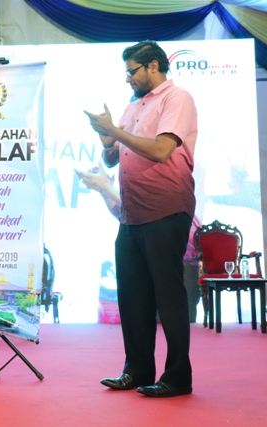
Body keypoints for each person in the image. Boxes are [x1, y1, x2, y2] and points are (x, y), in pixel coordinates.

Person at [84, 40, 197, 398]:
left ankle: (177, 377)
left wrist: (116, 132)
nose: (127, 79)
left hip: (166, 207)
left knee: (168, 295)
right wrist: (107, 139)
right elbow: (114, 158)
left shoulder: (176, 98)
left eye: (132, 71)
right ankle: (136, 370)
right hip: (131, 212)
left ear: (153, 66)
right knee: (132, 296)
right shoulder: (133, 106)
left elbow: (162, 150)